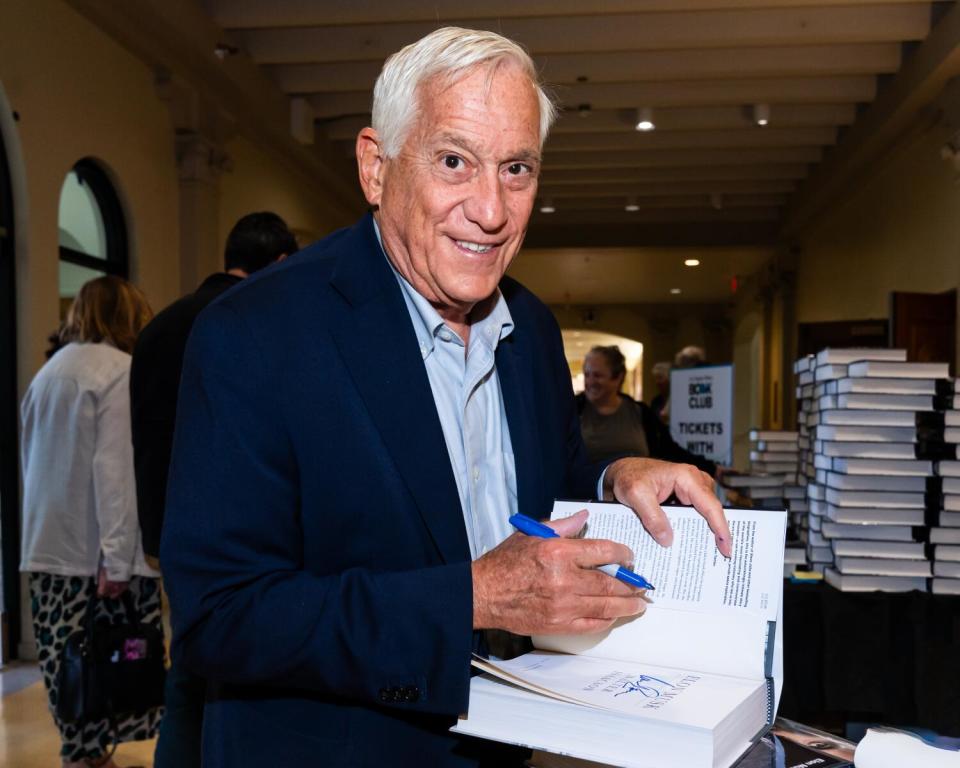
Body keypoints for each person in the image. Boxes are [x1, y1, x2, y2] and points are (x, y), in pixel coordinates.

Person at [162, 27, 732, 768]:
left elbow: (535, 501)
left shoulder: (528, 325)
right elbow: (221, 615)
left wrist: (613, 482)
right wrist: (469, 598)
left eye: (517, 168)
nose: (491, 210)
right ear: (377, 167)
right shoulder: (256, 333)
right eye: (455, 161)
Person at [129, 211, 297, 768]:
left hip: (164, 528)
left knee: (188, 670)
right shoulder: (252, 323)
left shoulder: (158, 326)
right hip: (238, 533)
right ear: (278, 263)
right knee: (224, 681)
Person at [20, 276, 161, 768]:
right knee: (111, 669)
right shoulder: (120, 370)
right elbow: (115, 471)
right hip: (94, 553)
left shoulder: (49, 372)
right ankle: (88, 759)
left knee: (69, 669)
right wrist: (120, 559)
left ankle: (84, 757)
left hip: (46, 548)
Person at [578, 346, 718, 477]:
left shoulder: (640, 413)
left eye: (597, 375)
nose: (590, 382)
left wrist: (713, 469)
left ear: (618, 377)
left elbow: (671, 451)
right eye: (587, 374)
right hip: (585, 499)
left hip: (637, 496)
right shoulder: (573, 411)